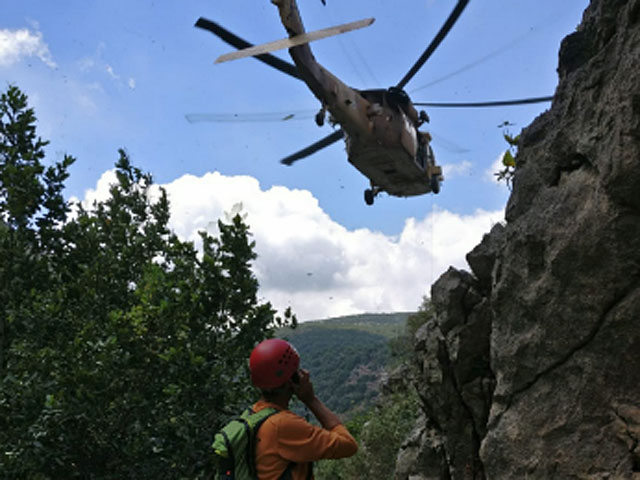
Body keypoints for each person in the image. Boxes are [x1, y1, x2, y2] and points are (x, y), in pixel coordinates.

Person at [249, 338, 358, 480]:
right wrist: (311, 400)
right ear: (292, 380)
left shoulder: (254, 414)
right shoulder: (283, 425)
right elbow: (348, 445)